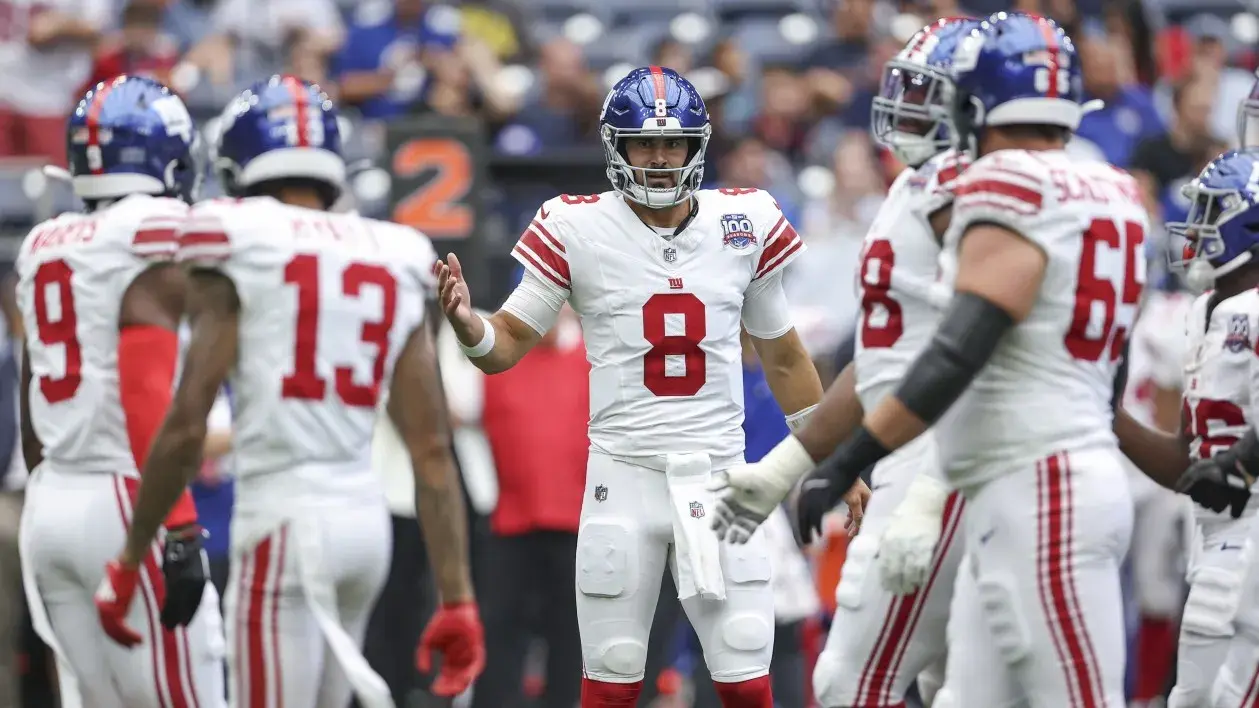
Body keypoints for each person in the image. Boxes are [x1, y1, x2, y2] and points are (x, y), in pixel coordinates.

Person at [435, 65, 866, 707]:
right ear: (617, 147)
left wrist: (839, 456)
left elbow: (783, 358)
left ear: (698, 146)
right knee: (610, 679)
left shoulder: (741, 220)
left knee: (749, 677)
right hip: (623, 474)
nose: (660, 158)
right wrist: (470, 324)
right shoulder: (575, 225)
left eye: (674, 143)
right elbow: (507, 347)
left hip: (723, 474)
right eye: (644, 143)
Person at [761, 12, 1150, 704]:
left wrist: (851, 460)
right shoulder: (1108, 187)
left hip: (1038, 472)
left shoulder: (1002, 185)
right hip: (1031, 466)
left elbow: (957, 348)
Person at [93, 75, 485, 707]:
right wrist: (459, 597)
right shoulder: (396, 249)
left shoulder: (239, 236)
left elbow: (188, 425)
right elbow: (432, 449)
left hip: (286, 524)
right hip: (365, 526)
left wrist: (131, 554)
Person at [708, 17, 975, 708]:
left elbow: (974, 358)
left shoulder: (972, 197)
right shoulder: (916, 190)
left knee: (856, 681)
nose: (905, 106)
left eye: (927, 91)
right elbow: (887, 356)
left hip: (958, 457)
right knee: (949, 684)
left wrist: (923, 494)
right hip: (924, 452)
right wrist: (788, 468)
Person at [15, 75, 225, 707]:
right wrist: (180, 528)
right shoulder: (159, 229)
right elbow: (144, 389)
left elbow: (32, 404)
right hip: (128, 498)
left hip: (50, 500)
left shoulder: (42, 242)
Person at [1155, 148, 1259, 707]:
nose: (1195, 228)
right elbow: (1181, 465)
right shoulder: (1204, 313)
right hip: (1214, 539)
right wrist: (1100, 409)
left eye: (1211, 212)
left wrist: (1240, 463)